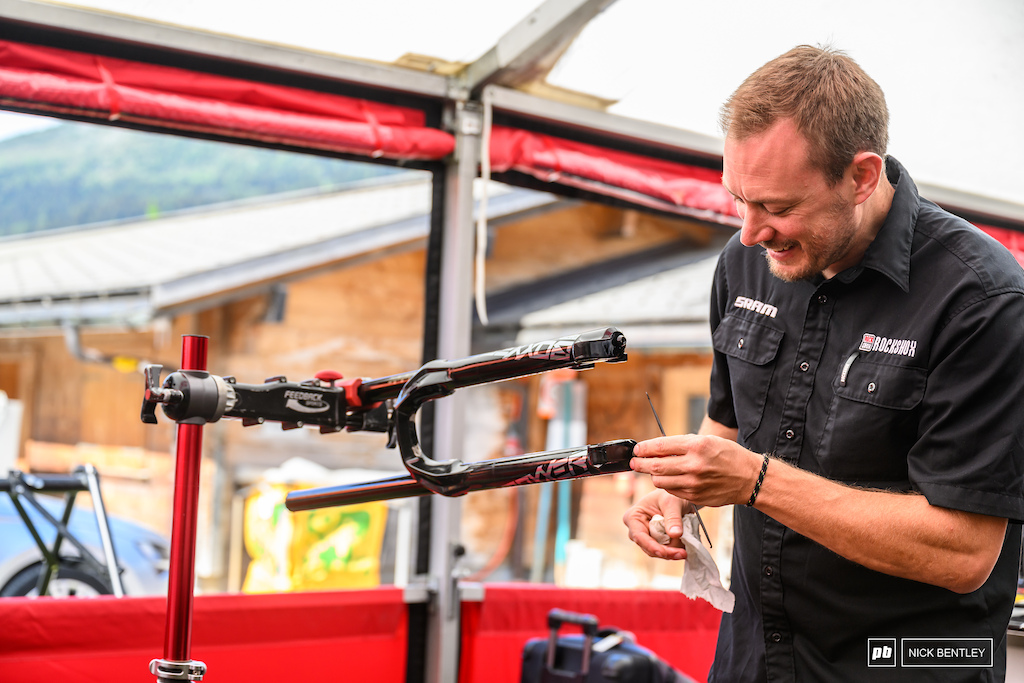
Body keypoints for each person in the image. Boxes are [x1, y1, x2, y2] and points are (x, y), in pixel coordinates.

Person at [623, 45, 1024, 682]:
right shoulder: (745, 261)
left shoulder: (982, 300)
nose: (752, 232)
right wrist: (678, 492)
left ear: (862, 176)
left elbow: (964, 552)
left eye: (780, 208)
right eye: (738, 200)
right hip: (752, 659)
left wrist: (755, 482)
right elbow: (726, 427)